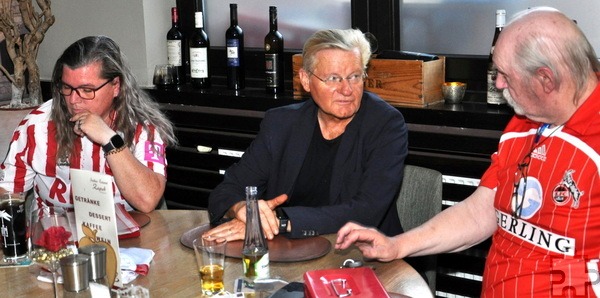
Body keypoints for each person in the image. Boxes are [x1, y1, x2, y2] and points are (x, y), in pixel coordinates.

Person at [336, 7, 600, 296]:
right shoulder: (525, 120)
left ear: (546, 80)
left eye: (504, 75)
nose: (498, 84)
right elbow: (480, 212)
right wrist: (397, 245)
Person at [206, 28, 408, 240]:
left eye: (355, 76)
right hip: (293, 251)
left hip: (365, 254)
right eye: (333, 78)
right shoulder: (281, 124)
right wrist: (242, 209)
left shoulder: (385, 125)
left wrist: (280, 222)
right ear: (305, 79)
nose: (347, 90)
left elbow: (366, 212)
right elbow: (227, 190)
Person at [0, 36, 176, 213]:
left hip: (129, 236)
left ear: (116, 86)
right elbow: (6, 193)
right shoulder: (37, 125)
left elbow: (147, 200)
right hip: (56, 234)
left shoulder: (143, 126)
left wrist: (109, 139)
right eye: (67, 88)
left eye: (87, 90)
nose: (74, 100)